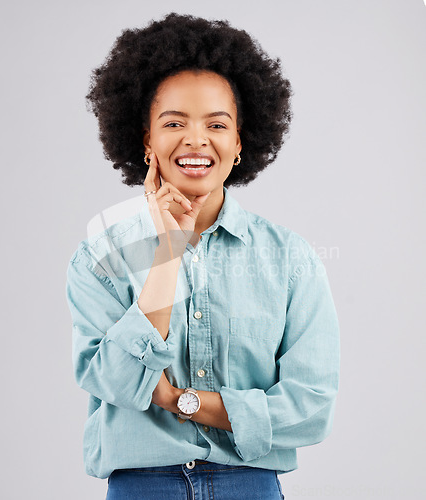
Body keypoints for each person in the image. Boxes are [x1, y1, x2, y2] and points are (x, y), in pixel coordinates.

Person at [66, 12, 340, 500]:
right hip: (141, 488)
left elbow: (311, 409)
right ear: (147, 139)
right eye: (174, 123)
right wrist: (168, 250)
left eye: (217, 124)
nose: (196, 139)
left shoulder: (291, 259)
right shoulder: (101, 255)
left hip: (251, 486)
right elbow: (117, 382)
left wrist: (179, 401)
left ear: (239, 144)